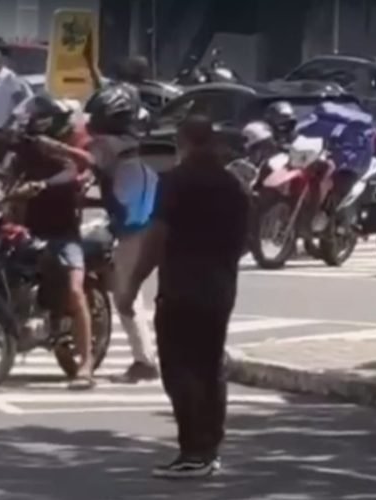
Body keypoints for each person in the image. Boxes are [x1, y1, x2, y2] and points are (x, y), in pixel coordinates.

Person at [132, 114, 250, 478]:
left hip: (182, 286)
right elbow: (246, 240)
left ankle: (193, 451)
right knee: (210, 365)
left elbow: (156, 237)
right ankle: (210, 447)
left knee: (180, 368)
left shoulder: (175, 182)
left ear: (182, 142)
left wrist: (133, 281)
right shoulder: (234, 186)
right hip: (220, 288)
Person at [0, 94, 95, 389]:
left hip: (63, 235)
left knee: (74, 290)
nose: (26, 126)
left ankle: (86, 364)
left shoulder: (60, 154)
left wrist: (41, 185)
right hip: (26, 230)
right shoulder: (24, 153)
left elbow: (71, 173)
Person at [37, 84, 159, 383]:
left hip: (134, 229)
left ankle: (145, 362)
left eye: (98, 114)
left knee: (126, 298)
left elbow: (90, 163)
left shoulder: (106, 145)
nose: (91, 121)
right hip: (148, 224)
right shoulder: (137, 142)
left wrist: (57, 148)